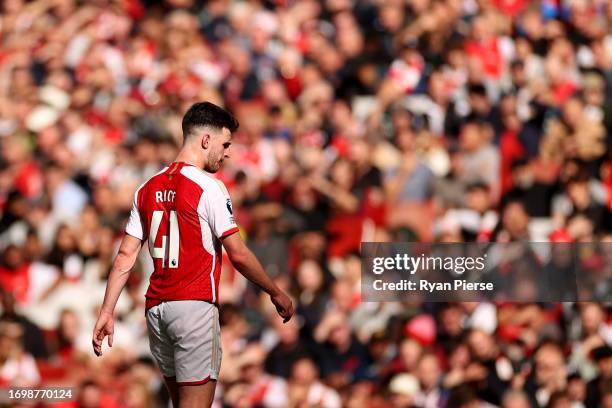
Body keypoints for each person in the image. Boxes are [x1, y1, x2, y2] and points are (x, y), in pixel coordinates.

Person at [91, 101, 294, 408]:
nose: (227, 153)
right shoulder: (209, 187)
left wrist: (107, 311)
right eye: (225, 144)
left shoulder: (146, 188)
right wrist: (275, 291)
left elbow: (125, 256)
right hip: (193, 308)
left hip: (157, 310)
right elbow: (237, 254)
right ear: (205, 140)